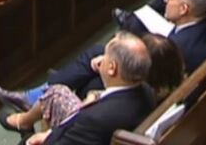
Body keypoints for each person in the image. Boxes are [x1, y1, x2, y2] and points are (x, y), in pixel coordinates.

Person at [18, 32, 155, 145]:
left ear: (112, 68)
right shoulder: (147, 92)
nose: (100, 59)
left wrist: (43, 139)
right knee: (58, 92)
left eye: (105, 56)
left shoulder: (93, 120)